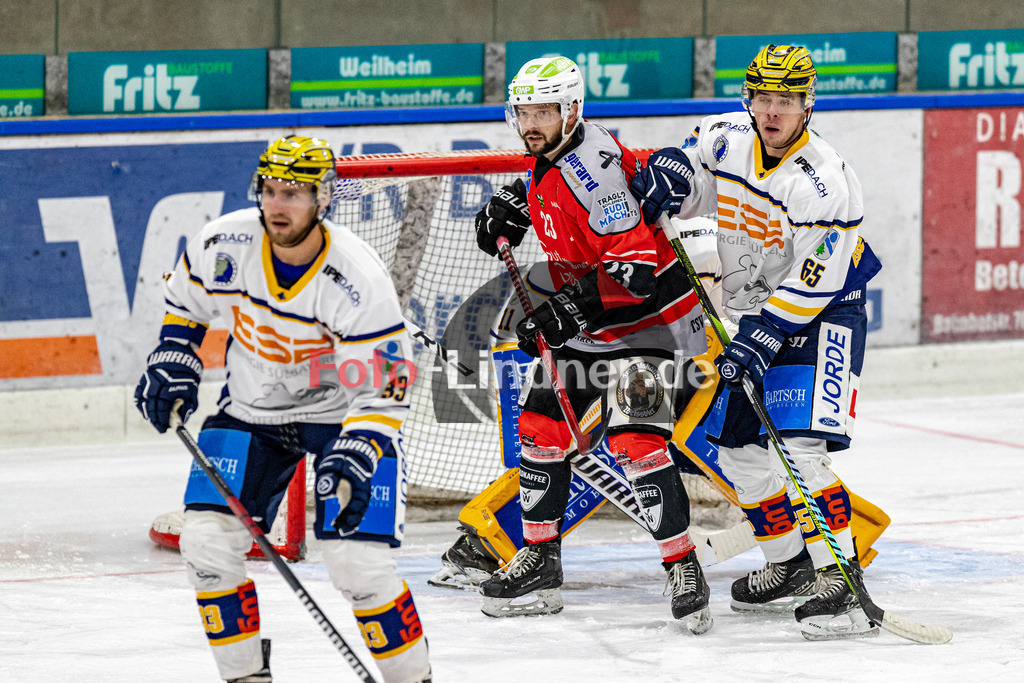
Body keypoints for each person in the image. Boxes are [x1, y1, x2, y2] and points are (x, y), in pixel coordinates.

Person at [134, 136, 431, 681]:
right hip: (253, 412)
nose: (277, 204)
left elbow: (388, 383)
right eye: (269, 190)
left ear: (323, 199)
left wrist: (361, 446)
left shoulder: (356, 277)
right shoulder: (223, 243)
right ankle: (246, 677)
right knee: (205, 545)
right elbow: (186, 303)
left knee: (358, 564)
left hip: (343, 419)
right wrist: (174, 355)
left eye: (293, 193)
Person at [629, 44, 884, 641]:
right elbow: (687, 168)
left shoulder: (827, 181)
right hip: (754, 314)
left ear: (806, 105)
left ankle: (840, 579)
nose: (772, 112)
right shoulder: (726, 137)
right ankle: (791, 564)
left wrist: (765, 333)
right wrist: (669, 172)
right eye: (763, 99)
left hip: (824, 314)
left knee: (797, 448)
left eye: (786, 101)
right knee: (741, 452)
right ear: (749, 100)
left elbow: (817, 276)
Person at [473, 56, 712, 633]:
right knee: (540, 431)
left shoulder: (593, 172)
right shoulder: (550, 157)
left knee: (636, 443)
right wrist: (514, 209)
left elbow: (634, 274)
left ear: (571, 109)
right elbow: (555, 204)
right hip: (600, 327)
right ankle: (540, 560)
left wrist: (562, 312)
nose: (531, 123)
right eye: (523, 111)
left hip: (654, 330)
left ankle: (684, 567)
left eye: (543, 110)